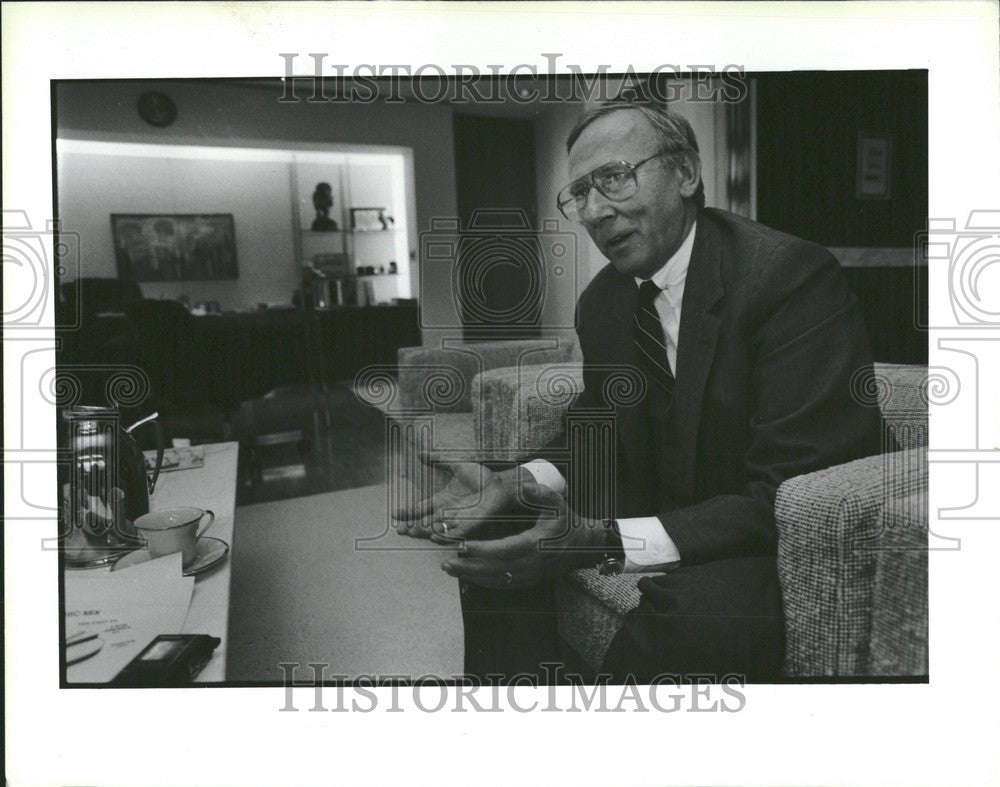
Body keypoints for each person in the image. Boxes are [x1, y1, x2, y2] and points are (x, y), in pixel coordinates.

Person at [394, 101, 883, 683]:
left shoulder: (790, 279)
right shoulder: (604, 301)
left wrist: (598, 541)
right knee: (500, 530)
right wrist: (516, 481)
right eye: (579, 193)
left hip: (769, 532)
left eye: (614, 178)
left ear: (685, 175)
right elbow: (597, 421)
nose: (596, 210)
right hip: (669, 498)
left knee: (702, 620)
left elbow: (788, 490)